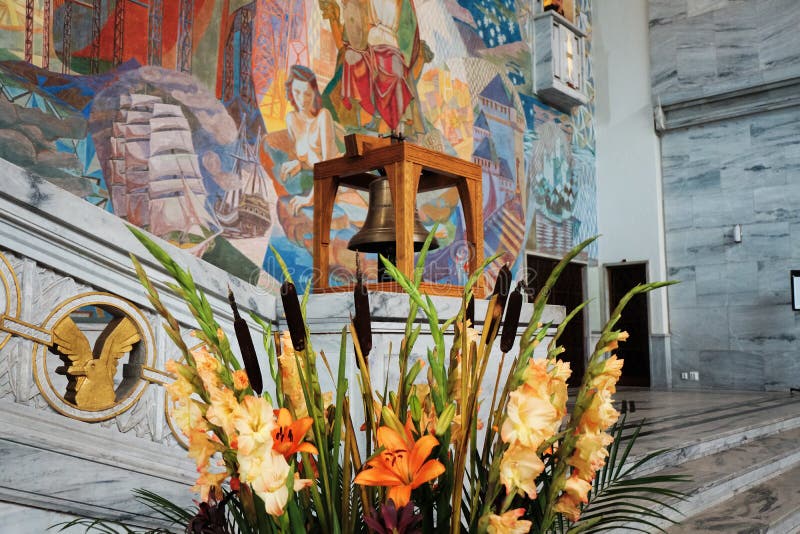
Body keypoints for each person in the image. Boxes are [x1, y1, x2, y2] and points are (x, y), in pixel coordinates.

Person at [280, 65, 341, 214]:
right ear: (291, 92)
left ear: (314, 93)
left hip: (340, 176)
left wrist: (310, 198)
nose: (302, 99)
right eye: (297, 92)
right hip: (321, 180)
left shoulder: (323, 116)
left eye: (307, 93)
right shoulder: (291, 120)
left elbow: (328, 165)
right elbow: (312, 160)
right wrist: (299, 163)